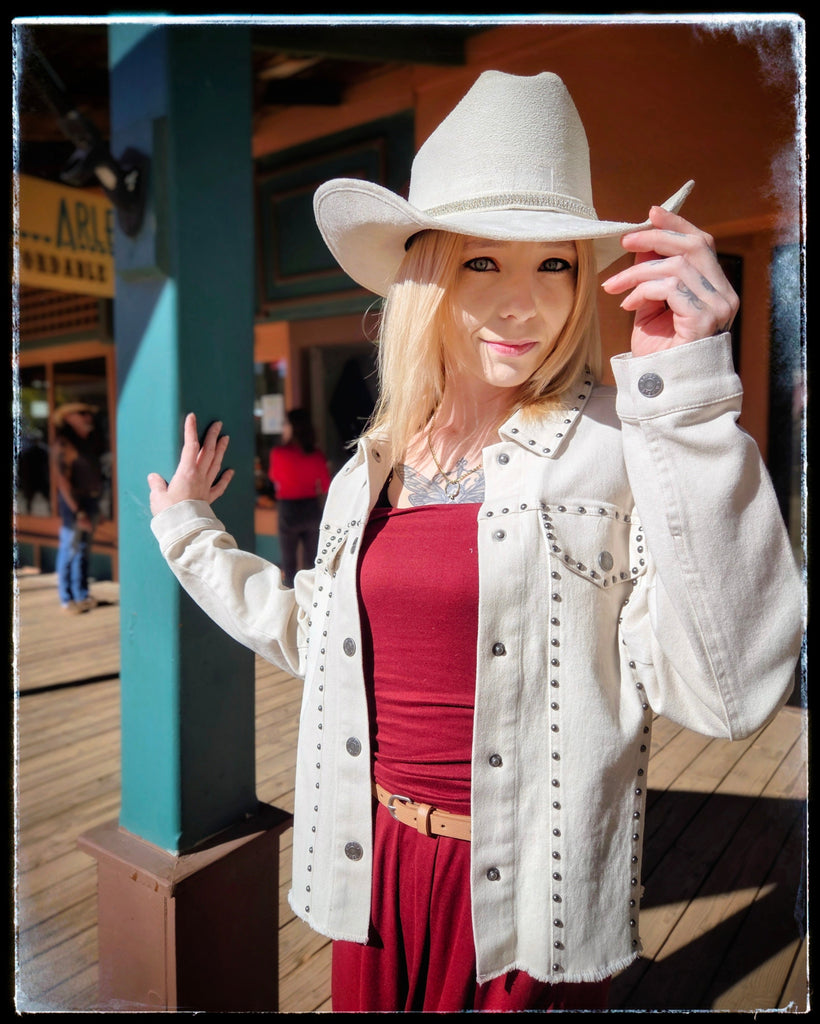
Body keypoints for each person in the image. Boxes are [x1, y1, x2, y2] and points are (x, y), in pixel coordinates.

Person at [146, 72, 803, 1012]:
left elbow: (728, 695)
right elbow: (312, 637)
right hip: (369, 874)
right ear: (425, 278)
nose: (521, 305)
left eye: (555, 265)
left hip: (530, 895)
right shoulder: (371, 465)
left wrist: (690, 399)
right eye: (482, 262)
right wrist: (187, 532)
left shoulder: (624, 440)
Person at [268, 408, 331, 587]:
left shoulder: (278, 453)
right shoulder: (316, 455)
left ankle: (290, 598)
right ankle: (313, 598)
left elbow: (274, 477)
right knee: (313, 564)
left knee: (289, 564)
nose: (283, 428)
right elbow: (326, 486)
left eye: (285, 424)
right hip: (311, 509)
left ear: (293, 428)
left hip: (288, 510)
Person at [52, 402, 104, 614]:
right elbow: (62, 482)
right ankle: (67, 598)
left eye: (88, 413)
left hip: (91, 501)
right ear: (68, 418)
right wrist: (78, 511)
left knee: (83, 550)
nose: (87, 417)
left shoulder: (89, 442)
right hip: (74, 504)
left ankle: (81, 594)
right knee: (70, 548)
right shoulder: (64, 444)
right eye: (82, 413)